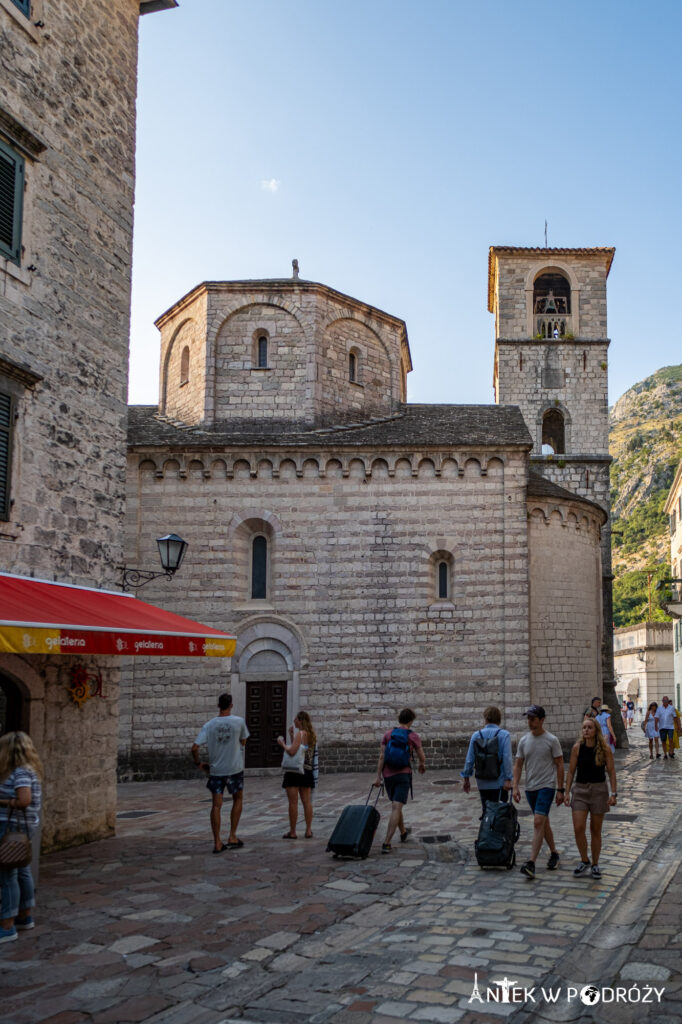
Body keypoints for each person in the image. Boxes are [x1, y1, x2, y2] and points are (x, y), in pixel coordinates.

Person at [191, 693, 249, 852]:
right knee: (238, 799)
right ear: (231, 705)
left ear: (218, 706)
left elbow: (194, 747)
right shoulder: (239, 722)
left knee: (216, 806)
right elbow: (243, 741)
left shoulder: (209, 725)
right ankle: (232, 835)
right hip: (234, 768)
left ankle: (217, 842)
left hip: (216, 770)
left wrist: (199, 763)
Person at [512, 705, 564, 878]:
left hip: (546, 786)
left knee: (537, 821)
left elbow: (559, 764)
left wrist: (560, 789)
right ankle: (554, 853)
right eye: (528, 718)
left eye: (533, 719)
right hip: (530, 788)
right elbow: (518, 765)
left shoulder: (552, 740)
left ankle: (531, 863)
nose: (530, 722)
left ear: (542, 720)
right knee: (543, 822)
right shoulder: (524, 741)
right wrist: (515, 786)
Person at [0, 732, 42, 944]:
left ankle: (6, 925)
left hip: (11, 827)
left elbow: (24, 800)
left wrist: (2, 801)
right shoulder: (28, 770)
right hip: (21, 827)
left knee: (7, 875)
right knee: (22, 870)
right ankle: (24, 916)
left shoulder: (20, 772)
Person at [564, 717, 617, 879]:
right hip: (580, 790)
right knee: (578, 827)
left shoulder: (605, 749)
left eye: (589, 728)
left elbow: (611, 771)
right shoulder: (577, 748)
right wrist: (566, 792)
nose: (586, 730)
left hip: (599, 790)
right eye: (584, 728)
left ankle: (595, 863)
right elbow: (571, 771)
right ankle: (584, 859)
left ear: (596, 731)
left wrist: (613, 793)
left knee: (595, 830)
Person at [374, 708, 426, 854]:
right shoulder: (412, 736)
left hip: (388, 775)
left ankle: (403, 832)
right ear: (411, 721)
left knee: (396, 805)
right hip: (403, 774)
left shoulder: (388, 734)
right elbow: (422, 756)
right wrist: (422, 765)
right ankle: (386, 843)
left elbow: (382, 756)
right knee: (397, 807)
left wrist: (378, 776)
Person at [460, 706, 513, 813]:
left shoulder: (476, 735)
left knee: (486, 811)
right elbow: (507, 758)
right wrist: (508, 779)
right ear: (499, 719)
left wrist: (466, 778)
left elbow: (469, 759)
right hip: (500, 782)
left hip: (482, 781)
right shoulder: (504, 735)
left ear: (486, 718)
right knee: (499, 813)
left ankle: (486, 828)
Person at [277, 710, 318, 839]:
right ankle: (309, 830)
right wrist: (291, 736)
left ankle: (293, 831)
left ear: (300, 720)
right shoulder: (311, 735)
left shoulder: (300, 733)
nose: (294, 721)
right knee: (307, 802)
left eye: (295, 719)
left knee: (293, 803)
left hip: (294, 773)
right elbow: (302, 751)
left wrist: (282, 744)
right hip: (306, 771)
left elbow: (292, 752)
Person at [655, 696, 680, 760]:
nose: (665, 702)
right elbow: (656, 717)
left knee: (671, 739)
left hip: (670, 727)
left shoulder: (672, 708)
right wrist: (656, 726)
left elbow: (675, 717)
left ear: (668, 701)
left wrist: (677, 726)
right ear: (662, 701)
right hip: (662, 727)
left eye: (666, 701)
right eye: (664, 701)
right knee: (663, 741)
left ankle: (671, 752)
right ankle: (665, 754)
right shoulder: (659, 708)